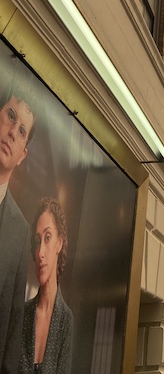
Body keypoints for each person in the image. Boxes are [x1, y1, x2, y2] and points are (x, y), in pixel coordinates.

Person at [0, 81, 37, 373]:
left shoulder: (21, 231)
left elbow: (12, 333)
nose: (13, 131)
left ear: (23, 154)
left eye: (22, 130)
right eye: (11, 115)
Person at [19, 197, 73, 374]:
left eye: (48, 237)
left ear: (59, 243)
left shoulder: (65, 320)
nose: (40, 252)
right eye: (37, 241)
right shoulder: (22, 315)